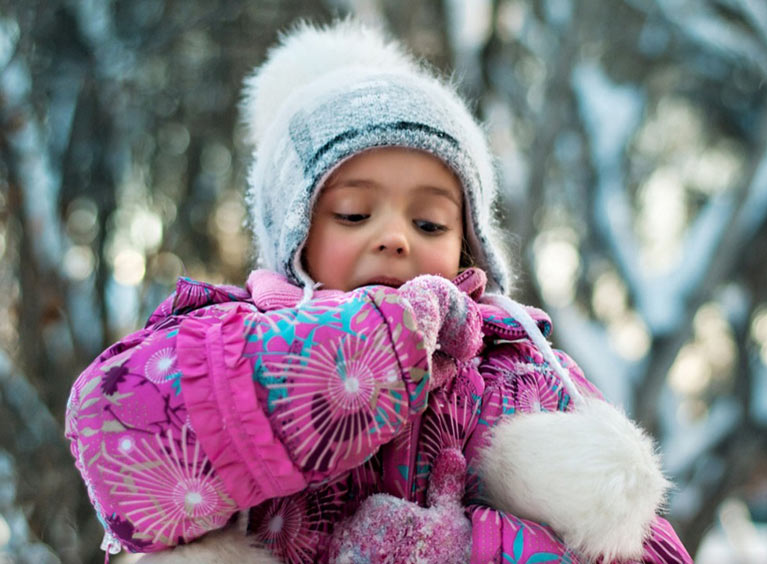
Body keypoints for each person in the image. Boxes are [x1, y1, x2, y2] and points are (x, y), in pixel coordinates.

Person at [65, 20, 693, 564]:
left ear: (468, 247)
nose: (395, 238)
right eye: (353, 214)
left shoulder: (510, 376)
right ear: (295, 234)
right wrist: (367, 349)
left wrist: (461, 552)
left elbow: (654, 552)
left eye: (429, 224)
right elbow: (116, 432)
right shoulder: (215, 337)